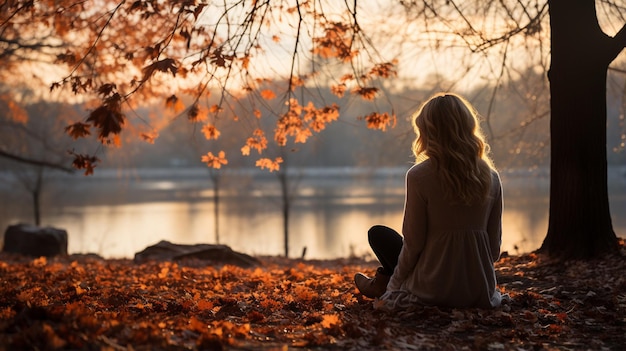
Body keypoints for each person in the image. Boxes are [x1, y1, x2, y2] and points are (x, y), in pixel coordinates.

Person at [354, 92, 504, 310]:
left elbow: (414, 244)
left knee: (379, 235)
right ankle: (382, 282)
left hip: (431, 288)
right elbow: (494, 250)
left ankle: (382, 283)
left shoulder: (419, 176)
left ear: (429, 131)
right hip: (478, 290)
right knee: (384, 236)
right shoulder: (492, 177)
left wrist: (393, 288)